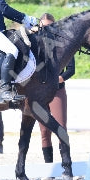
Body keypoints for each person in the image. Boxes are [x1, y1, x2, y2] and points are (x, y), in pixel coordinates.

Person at [36, 13, 75, 163]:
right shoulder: (34, 44)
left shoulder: (64, 44)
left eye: (50, 26)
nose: (46, 29)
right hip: (39, 93)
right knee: (44, 131)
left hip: (57, 90)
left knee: (61, 128)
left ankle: (66, 164)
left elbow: (71, 70)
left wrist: (54, 80)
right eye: (44, 26)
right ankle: (49, 167)